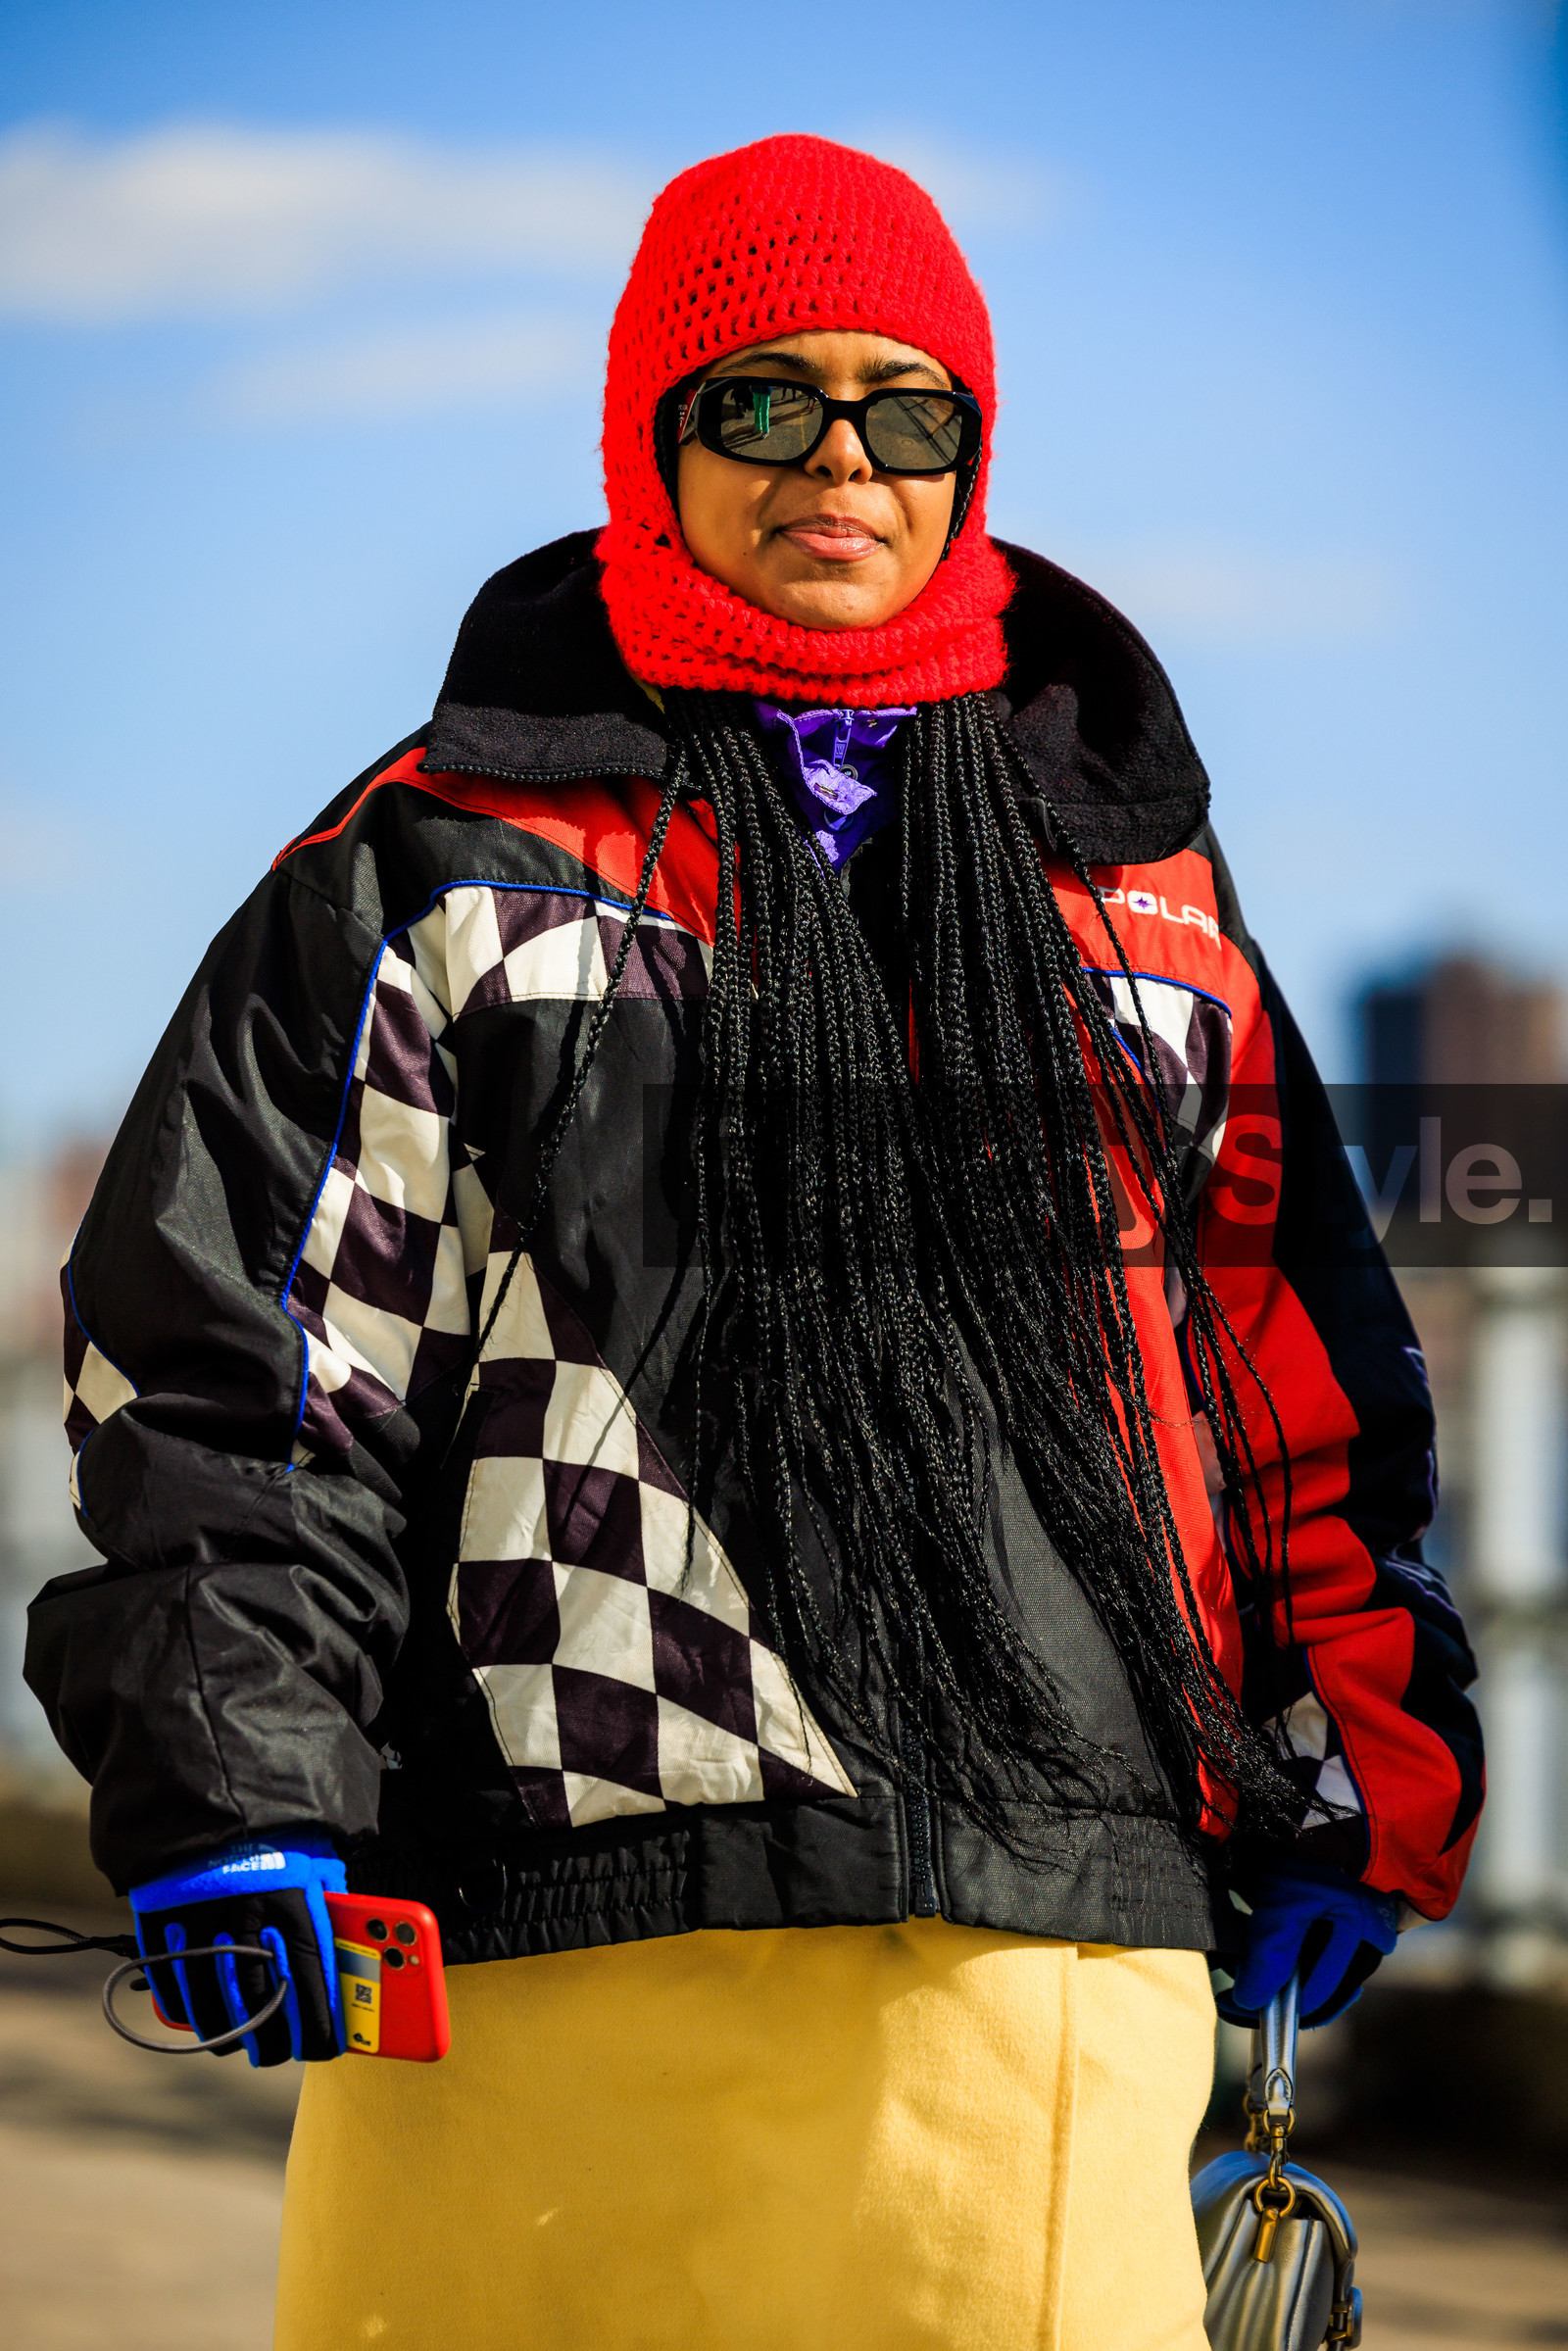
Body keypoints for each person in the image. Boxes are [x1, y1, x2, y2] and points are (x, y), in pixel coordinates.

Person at [27, 136, 1482, 2350]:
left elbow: (1291, 1375)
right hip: (540, 1931)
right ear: (652, 435)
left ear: (969, 459)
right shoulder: (440, 867)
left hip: (1034, 1950)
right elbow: (248, 1362)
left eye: (910, 416)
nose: (839, 462)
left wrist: (1362, 1780)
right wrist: (235, 1790)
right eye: (760, 400)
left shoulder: (1145, 910)